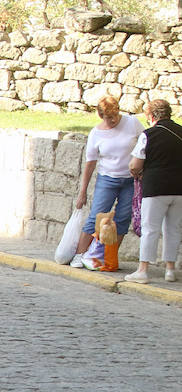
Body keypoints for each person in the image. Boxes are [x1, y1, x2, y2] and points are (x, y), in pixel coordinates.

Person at [70, 95, 143, 270]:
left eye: (114, 116)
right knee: (97, 215)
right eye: (107, 118)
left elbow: (144, 144)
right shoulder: (96, 133)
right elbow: (90, 164)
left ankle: (109, 256)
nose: (112, 121)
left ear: (118, 112)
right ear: (100, 116)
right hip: (107, 178)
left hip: (130, 179)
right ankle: (80, 254)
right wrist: (83, 191)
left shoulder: (132, 123)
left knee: (123, 218)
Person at [126, 99, 182, 283]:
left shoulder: (148, 135)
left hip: (155, 187)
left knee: (150, 228)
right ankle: (170, 269)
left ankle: (143, 270)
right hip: (179, 188)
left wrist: (137, 173)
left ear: (150, 115)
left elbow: (135, 164)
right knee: (173, 229)